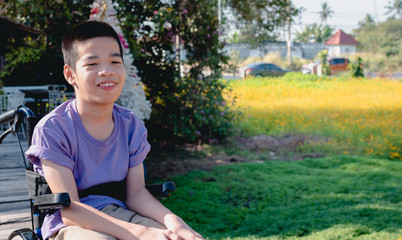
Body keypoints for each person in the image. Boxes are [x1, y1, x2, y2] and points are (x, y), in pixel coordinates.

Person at [26, 20, 204, 240]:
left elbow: (136, 194)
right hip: (73, 224)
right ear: (70, 74)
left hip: (123, 214)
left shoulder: (131, 125)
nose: (106, 71)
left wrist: (175, 222)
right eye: (92, 64)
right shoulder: (53, 129)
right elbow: (71, 210)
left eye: (114, 61)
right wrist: (140, 233)